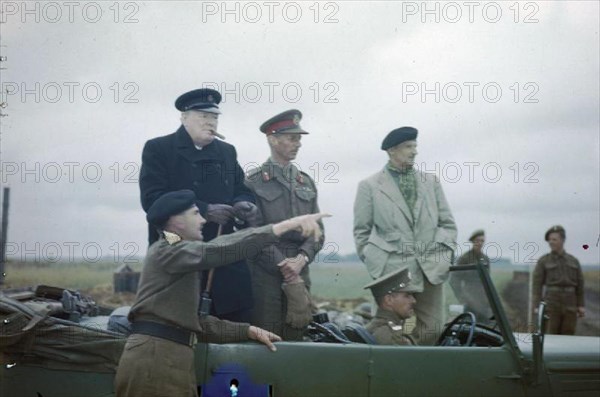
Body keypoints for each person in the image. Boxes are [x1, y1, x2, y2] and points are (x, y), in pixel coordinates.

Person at [114, 190, 329, 397]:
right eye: (196, 213)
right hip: (156, 362)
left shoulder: (178, 254)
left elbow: (197, 324)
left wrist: (248, 331)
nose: (203, 221)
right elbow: (216, 250)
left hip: (169, 359)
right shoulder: (167, 250)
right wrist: (281, 227)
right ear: (177, 222)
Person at [139, 88, 259, 322]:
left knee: (236, 319)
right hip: (176, 248)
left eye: (214, 117)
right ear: (184, 118)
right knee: (179, 321)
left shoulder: (226, 152)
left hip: (223, 249)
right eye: (203, 116)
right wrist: (205, 210)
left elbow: (241, 188)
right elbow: (152, 200)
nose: (210, 122)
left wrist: (243, 202)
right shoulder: (159, 149)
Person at [353, 127, 457, 345]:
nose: (414, 152)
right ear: (392, 150)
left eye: (415, 146)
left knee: (434, 330)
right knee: (389, 332)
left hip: (431, 270)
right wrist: (377, 265)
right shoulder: (370, 186)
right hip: (393, 273)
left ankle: (423, 374)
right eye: (409, 147)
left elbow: (447, 224)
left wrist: (444, 256)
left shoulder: (431, 182)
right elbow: (362, 232)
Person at [244, 109, 324, 340]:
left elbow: (318, 230)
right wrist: (282, 264)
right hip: (265, 273)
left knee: (298, 335)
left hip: (300, 271)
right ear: (272, 139)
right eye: (292, 138)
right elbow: (251, 232)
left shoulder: (305, 182)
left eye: (299, 139)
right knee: (266, 338)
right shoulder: (253, 182)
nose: (297, 144)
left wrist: (302, 258)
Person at [532, 225, 585, 335]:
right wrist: (536, 305)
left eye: (554, 239)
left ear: (562, 240)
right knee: (551, 334)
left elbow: (580, 285)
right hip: (552, 303)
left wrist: (581, 305)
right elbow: (537, 285)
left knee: (568, 334)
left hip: (570, 303)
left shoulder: (573, 261)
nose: (551, 242)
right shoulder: (543, 261)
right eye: (549, 240)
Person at [449, 229, 493, 324]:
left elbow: (488, 281)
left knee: (485, 328)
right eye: (477, 240)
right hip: (470, 300)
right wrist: (462, 297)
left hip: (483, 301)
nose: (480, 243)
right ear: (473, 241)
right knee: (469, 325)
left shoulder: (485, 259)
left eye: (482, 241)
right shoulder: (464, 258)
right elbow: (454, 280)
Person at [364, 268, 417, 345]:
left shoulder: (381, 327)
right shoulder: (388, 335)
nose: (414, 301)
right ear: (388, 300)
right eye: (407, 296)